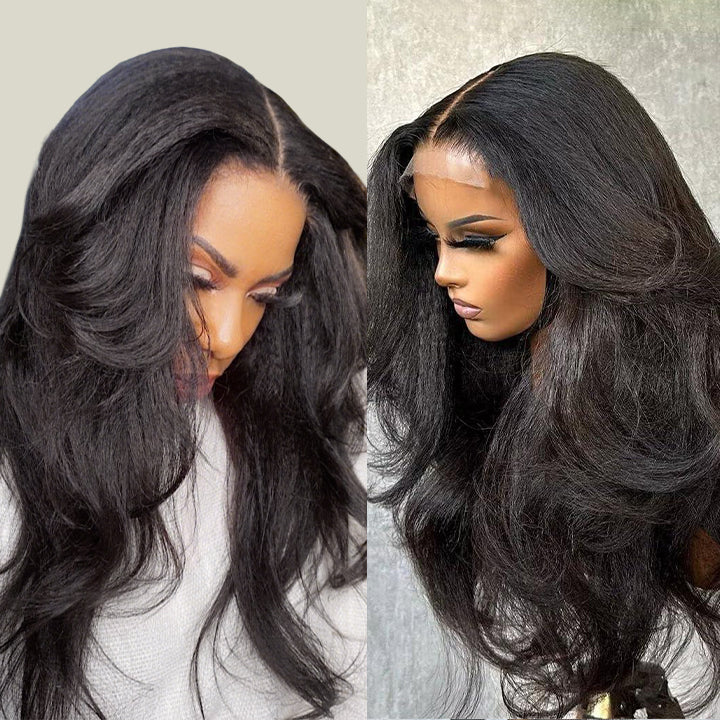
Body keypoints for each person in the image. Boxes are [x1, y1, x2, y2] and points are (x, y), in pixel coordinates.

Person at [0, 47, 366, 720]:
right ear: (105, 246)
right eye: (197, 280)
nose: (226, 336)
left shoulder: (290, 442)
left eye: (264, 296)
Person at [368, 51, 720, 718]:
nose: (442, 272)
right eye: (433, 239)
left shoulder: (696, 398)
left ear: (582, 229)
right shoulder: (499, 379)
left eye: (476, 240)